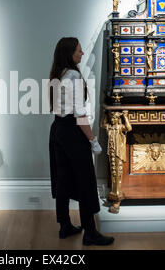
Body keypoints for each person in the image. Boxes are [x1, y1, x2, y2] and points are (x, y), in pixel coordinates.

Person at [48, 37, 114, 246]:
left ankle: (65, 225)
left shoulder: (59, 74)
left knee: (64, 179)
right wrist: (93, 140)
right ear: (69, 53)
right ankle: (90, 232)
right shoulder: (74, 76)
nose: (82, 53)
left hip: (57, 130)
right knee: (86, 182)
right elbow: (79, 113)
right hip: (73, 133)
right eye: (79, 50)